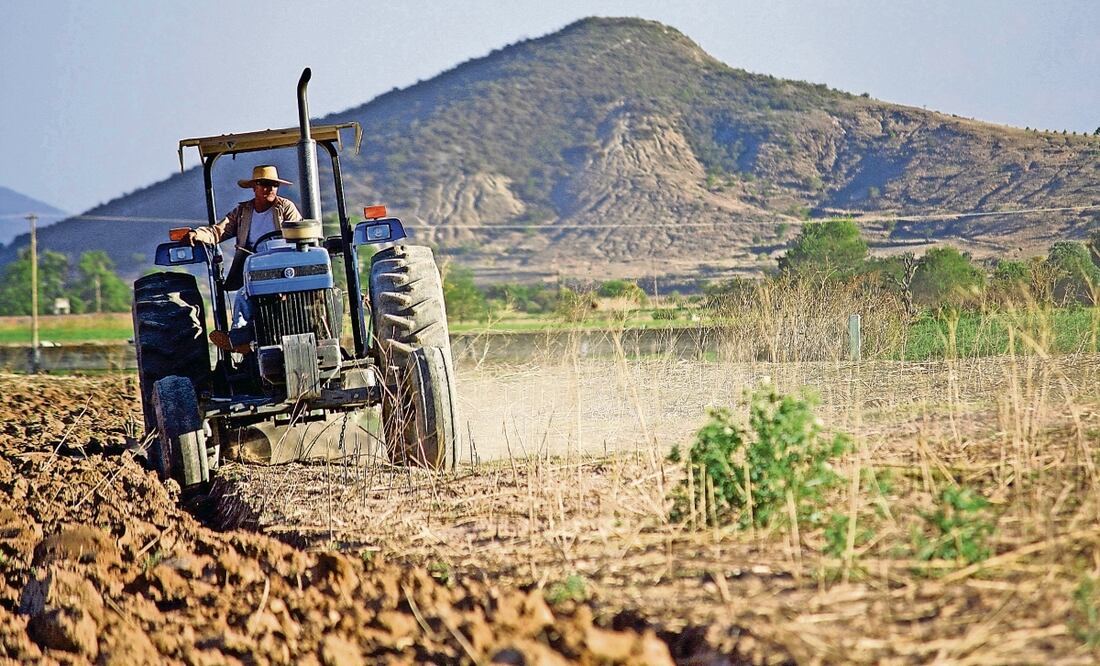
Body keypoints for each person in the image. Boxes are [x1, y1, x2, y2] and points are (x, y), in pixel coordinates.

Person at [186, 165, 302, 353]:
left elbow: (298, 232)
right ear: (254, 187)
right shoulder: (243, 211)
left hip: (283, 265)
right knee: (243, 294)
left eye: (274, 184)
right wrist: (198, 234)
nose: (270, 188)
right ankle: (239, 339)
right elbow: (218, 231)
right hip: (255, 266)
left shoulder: (285, 208)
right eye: (264, 184)